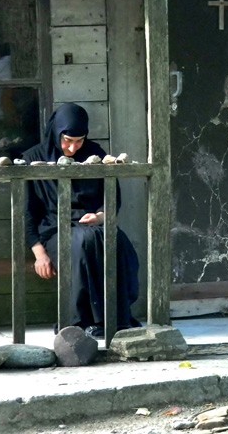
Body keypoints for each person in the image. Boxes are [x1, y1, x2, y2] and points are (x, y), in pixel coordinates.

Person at [23, 102, 141, 337]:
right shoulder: (34, 158)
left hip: (93, 225)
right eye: (67, 140)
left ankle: (115, 318)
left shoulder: (95, 155)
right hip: (55, 228)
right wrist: (39, 254)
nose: (72, 147)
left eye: (79, 141)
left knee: (116, 240)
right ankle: (78, 321)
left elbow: (112, 197)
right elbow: (26, 213)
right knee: (82, 243)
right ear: (56, 133)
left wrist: (100, 215)